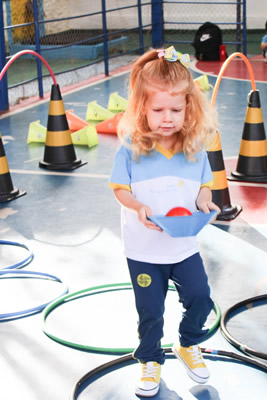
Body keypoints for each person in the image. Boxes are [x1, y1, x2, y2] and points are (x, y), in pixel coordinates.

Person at [109, 46, 220, 398]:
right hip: (144, 251)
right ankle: (150, 359)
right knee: (150, 312)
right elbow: (120, 190)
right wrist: (137, 206)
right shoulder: (131, 148)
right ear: (142, 107)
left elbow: (206, 184)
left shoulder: (194, 148)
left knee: (201, 297)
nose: (167, 117)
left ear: (189, 107)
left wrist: (204, 199)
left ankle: (188, 344)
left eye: (175, 109)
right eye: (158, 109)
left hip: (183, 246)